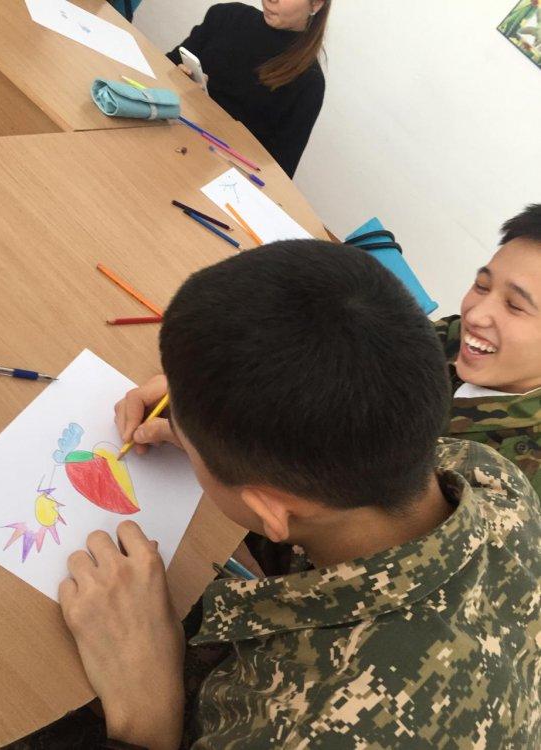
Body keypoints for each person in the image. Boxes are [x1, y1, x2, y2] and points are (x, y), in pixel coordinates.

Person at [53, 240, 539, 749]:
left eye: (192, 452)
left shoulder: (317, 728)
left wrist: (145, 715)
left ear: (270, 509)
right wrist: (224, 418)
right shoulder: (487, 473)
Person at [435, 204, 541, 495]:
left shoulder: (521, 480)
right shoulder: (448, 338)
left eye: (514, 306)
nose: (475, 315)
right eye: (482, 286)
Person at [166, 1, 330, 178]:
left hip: (216, 173)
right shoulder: (225, 16)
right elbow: (165, 65)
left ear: (316, 4)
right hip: (171, 136)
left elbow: (279, 172)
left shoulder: (309, 82)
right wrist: (179, 79)